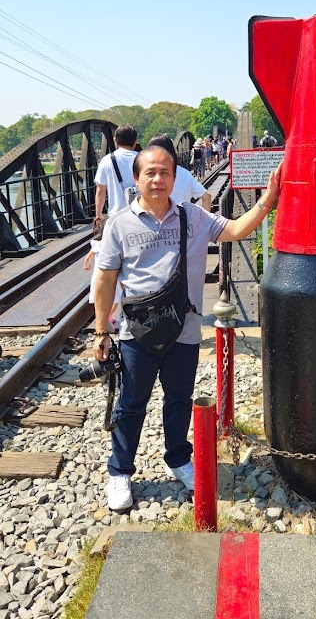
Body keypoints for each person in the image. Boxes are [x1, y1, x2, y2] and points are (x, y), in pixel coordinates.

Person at [93, 146, 281, 511]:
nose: (158, 179)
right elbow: (105, 279)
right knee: (131, 404)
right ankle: (120, 471)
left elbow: (236, 229)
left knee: (179, 399)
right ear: (136, 178)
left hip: (184, 330)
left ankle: (178, 459)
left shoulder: (192, 216)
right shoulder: (119, 224)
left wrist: (268, 199)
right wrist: (102, 331)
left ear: (175, 178)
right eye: (150, 173)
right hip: (137, 332)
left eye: (165, 172)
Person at [149, 134, 211, 211]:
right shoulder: (184, 173)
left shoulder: (148, 176)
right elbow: (207, 197)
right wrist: (204, 218)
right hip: (183, 217)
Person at [84, 217, 122, 329]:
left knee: (98, 297)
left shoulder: (97, 245)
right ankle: (109, 315)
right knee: (117, 297)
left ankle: (103, 317)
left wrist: (86, 265)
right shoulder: (114, 245)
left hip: (98, 275)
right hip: (112, 275)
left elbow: (88, 258)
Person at [94, 124, 139, 220]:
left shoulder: (106, 160)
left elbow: (100, 191)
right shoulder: (143, 158)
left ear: (115, 140)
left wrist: (98, 215)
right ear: (135, 141)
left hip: (116, 215)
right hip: (140, 213)